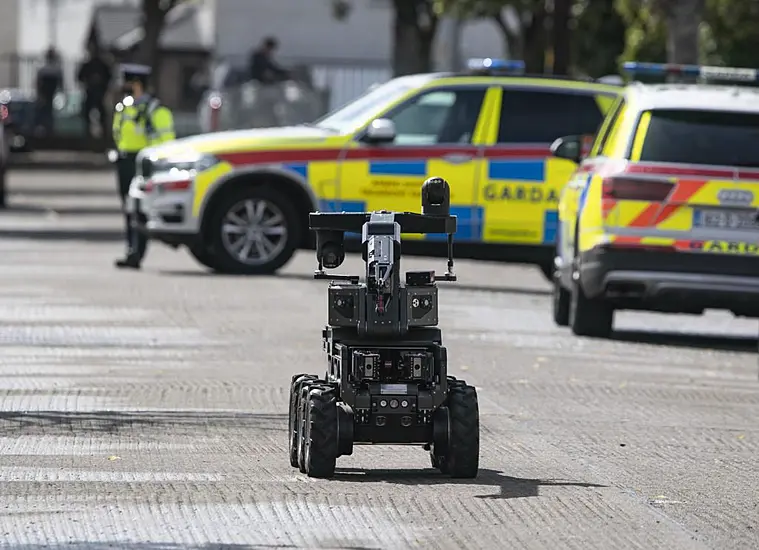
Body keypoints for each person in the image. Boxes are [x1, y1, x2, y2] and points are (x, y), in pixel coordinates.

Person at [111, 63, 176, 269]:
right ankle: (131, 250)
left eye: (128, 83)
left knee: (138, 210)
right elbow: (118, 133)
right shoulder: (124, 107)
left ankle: (136, 253)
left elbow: (166, 140)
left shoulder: (155, 110)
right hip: (124, 161)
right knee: (128, 209)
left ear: (138, 84)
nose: (124, 87)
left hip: (143, 163)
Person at [77, 45, 112, 138]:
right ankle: (87, 133)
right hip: (90, 92)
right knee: (87, 113)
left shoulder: (103, 65)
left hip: (100, 92)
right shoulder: (88, 65)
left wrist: (102, 84)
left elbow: (109, 77)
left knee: (102, 114)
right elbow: (80, 77)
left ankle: (104, 133)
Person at [35, 47, 63, 134]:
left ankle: (47, 127)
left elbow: (60, 82)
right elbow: (39, 82)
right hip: (46, 92)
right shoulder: (45, 69)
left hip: (50, 92)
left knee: (48, 110)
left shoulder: (49, 69)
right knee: (45, 110)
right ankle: (45, 127)